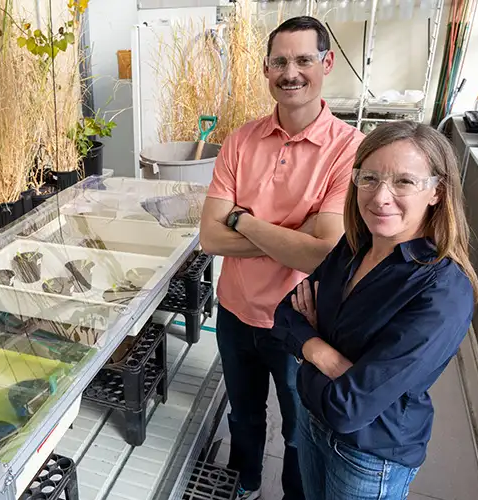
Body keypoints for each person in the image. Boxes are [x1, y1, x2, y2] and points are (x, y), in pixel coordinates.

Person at [199, 15, 364, 500]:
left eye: (303, 60)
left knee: (299, 428)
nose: (291, 72)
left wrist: (244, 221)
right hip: (233, 310)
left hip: (298, 318)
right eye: (280, 62)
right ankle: (244, 483)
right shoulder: (240, 140)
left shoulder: (349, 150)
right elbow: (209, 238)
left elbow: (322, 255)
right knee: (243, 413)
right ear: (266, 69)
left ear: (326, 63)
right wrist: (296, 231)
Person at [272, 121, 478, 499]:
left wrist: (307, 350)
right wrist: (326, 357)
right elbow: (285, 315)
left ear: (437, 191)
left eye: (404, 181)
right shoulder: (355, 246)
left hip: (368, 456)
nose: (380, 196)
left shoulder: (442, 291)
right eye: (369, 178)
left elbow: (348, 407)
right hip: (311, 423)